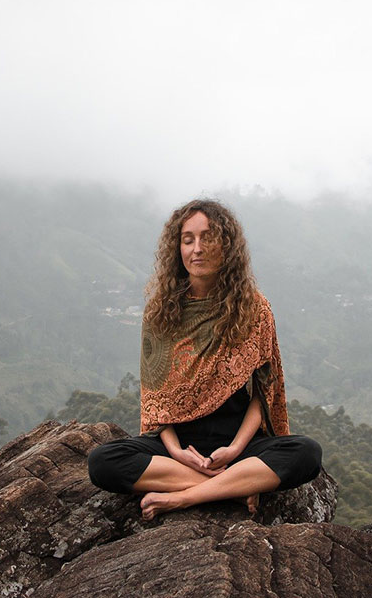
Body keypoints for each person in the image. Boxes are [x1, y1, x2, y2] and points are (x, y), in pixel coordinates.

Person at [87, 199, 322, 520]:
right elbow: (157, 403)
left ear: (226, 246)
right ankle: (234, 489)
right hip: (180, 447)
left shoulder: (254, 310)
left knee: (306, 454)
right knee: (103, 462)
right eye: (188, 240)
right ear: (177, 248)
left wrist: (237, 449)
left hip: (237, 444)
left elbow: (264, 394)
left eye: (207, 238)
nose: (197, 248)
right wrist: (176, 452)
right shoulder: (160, 312)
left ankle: (184, 497)